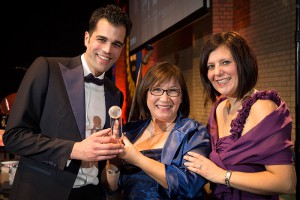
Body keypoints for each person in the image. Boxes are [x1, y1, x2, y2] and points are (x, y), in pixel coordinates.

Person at [3, 4, 132, 200]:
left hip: (91, 193)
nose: (107, 49)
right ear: (87, 38)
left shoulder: (115, 94)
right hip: (43, 192)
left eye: (116, 44)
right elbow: (14, 136)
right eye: (102, 39)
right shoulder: (47, 69)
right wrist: (74, 149)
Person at [183, 31, 297, 199]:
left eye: (225, 62)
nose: (217, 72)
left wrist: (221, 175)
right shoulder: (219, 107)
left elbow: (286, 182)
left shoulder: (262, 107)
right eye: (210, 66)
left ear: (243, 63)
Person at [103, 62, 211, 199]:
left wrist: (137, 159)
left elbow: (189, 186)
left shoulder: (194, 132)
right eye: (157, 89)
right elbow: (112, 188)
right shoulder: (130, 131)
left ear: (181, 97)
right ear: (145, 94)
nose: (164, 98)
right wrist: (113, 160)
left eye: (172, 91)